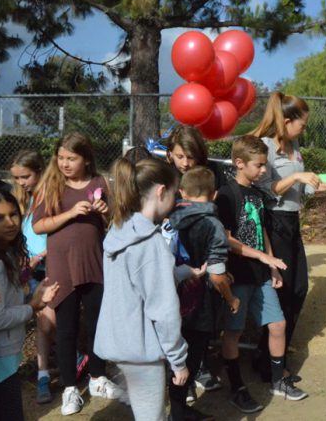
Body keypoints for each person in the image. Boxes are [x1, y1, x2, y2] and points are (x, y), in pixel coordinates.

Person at [249, 92, 326, 382]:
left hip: (291, 221)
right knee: (281, 291)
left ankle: (273, 354)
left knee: (298, 288)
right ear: (287, 121)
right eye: (301, 124)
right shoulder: (265, 147)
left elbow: (301, 186)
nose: (304, 129)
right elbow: (265, 188)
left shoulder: (294, 146)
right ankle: (268, 361)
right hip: (273, 223)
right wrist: (296, 178)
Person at [31, 132, 124, 416]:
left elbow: (111, 221)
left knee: (98, 325)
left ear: (86, 159)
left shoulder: (99, 182)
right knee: (67, 328)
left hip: (93, 263)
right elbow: (38, 226)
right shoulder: (51, 184)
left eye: (71, 158)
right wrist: (70, 213)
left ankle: (98, 378)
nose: (65, 164)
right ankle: (70, 388)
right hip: (62, 267)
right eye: (61, 158)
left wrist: (105, 211)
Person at [93, 158, 190, 420]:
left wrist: (180, 274)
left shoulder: (119, 229)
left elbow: (133, 284)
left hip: (118, 342)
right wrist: (178, 360)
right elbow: (164, 310)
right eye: (174, 193)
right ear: (160, 191)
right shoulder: (151, 243)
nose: (175, 199)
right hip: (142, 350)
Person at [216, 135, 305, 414]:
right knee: (233, 332)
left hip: (261, 275)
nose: (265, 171)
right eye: (259, 165)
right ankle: (237, 387)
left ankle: (278, 381)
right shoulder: (226, 195)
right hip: (238, 276)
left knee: (277, 325)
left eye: (265, 164)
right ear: (239, 163)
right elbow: (228, 239)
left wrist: (270, 265)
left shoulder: (256, 193)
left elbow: (262, 230)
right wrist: (262, 256)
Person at [167, 165, 237, 421]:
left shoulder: (169, 219)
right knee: (192, 356)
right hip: (200, 303)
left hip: (171, 297)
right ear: (215, 195)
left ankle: (177, 405)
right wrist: (231, 298)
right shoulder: (213, 225)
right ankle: (179, 412)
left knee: (174, 353)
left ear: (182, 192)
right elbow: (217, 274)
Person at [0, 189, 59, 421]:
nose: (10, 223)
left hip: (8, 356)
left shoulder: (6, 254)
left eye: (14, 214)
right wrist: (32, 306)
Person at [9, 150, 56, 403]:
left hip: (50, 265)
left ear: (39, 171)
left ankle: (76, 357)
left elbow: (57, 234)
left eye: (25, 177)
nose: (21, 183)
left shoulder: (50, 197)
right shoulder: (21, 200)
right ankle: (42, 374)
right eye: (16, 178)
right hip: (29, 269)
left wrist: (42, 255)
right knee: (41, 319)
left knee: (48, 319)